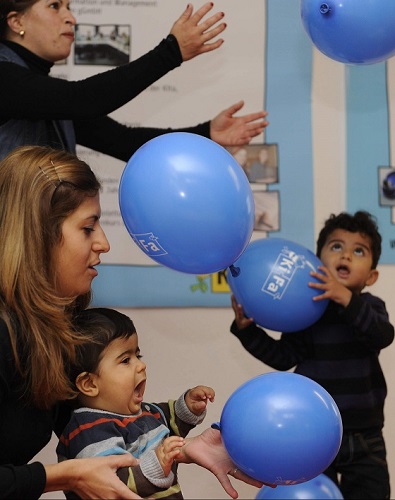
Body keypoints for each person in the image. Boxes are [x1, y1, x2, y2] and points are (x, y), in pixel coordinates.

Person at [0, 144, 265, 499]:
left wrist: (182, 449)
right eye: (88, 228)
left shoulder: (52, 332)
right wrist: (62, 476)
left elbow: (99, 427)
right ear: (39, 235)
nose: (104, 243)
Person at [230, 211, 394, 500]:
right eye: (336, 246)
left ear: (371, 276)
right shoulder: (306, 312)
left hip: (365, 435)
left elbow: (381, 335)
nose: (345, 256)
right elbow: (283, 357)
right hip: (312, 434)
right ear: (317, 261)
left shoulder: (369, 306)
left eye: (359, 250)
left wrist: (345, 298)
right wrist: (247, 331)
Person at [0, 0, 269, 161]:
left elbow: (123, 141)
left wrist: (206, 134)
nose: (71, 17)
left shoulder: (42, 95)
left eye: (70, 6)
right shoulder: (5, 78)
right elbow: (83, 99)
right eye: (54, 5)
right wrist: (170, 53)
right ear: (16, 21)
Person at [57, 307, 215, 499]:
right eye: (125, 360)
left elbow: (167, 420)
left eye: (137, 356)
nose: (141, 365)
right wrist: (155, 464)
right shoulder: (87, 431)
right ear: (89, 384)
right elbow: (109, 485)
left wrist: (188, 406)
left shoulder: (142, 413)